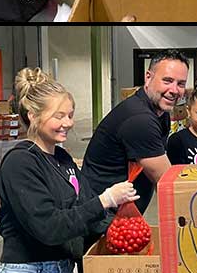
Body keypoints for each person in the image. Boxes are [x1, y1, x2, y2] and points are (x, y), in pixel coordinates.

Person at [0, 69, 138, 273]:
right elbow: (50, 227)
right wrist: (106, 199)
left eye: (70, 114)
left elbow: (87, 214)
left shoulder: (63, 160)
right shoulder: (20, 163)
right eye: (59, 116)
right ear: (32, 115)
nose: (68, 123)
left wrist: (127, 232)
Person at [81, 50, 189, 215]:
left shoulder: (160, 113)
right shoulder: (140, 120)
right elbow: (167, 182)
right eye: (167, 80)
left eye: (181, 84)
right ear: (148, 77)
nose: (174, 90)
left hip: (124, 211)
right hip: (104, 215)